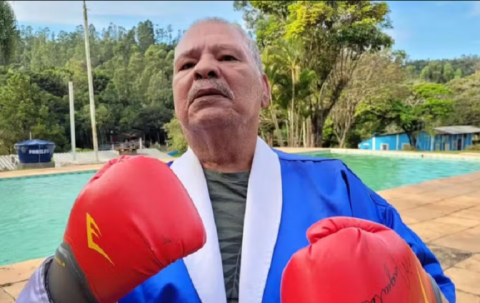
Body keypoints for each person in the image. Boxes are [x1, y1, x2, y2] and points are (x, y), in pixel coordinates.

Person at [17, 17, 455, 303]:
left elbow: (436, 286)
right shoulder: (119, 207)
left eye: (227, 57)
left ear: (264, 89)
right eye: (187, 65)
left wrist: (417, 293)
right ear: (175, 97)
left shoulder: (337, 187)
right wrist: (64, 286)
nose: (204, 69)